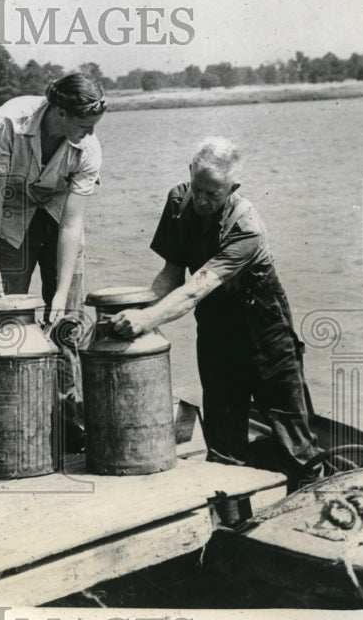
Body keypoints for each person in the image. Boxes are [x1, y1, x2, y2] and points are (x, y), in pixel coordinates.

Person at [110, 137, 319, 482]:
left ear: (233, 187)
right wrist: (133, 311)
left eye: (214, 193)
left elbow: (195, 289)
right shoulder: (178, 201)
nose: (204, 200)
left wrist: (147, 319)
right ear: (190, 172)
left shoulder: (247, 227)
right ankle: (232, 527)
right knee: (223, 446)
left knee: (295, 445)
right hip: (216, 332)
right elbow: (172, 273)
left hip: (266, 333)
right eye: (199, 188)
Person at [0, 73, 106, 445]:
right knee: (4, 322)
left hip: (57, 218)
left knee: (67, 326)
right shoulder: (10, 121)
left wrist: (59, 296)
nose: (89, 135)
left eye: (93, 128)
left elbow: (73, 223)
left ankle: (67, 424)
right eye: (83, 126)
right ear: (59, 112)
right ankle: (5, 422)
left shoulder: (88, 149)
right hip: (8, 214)